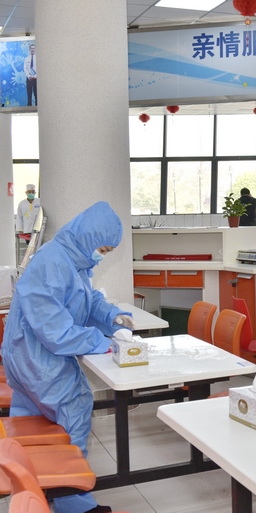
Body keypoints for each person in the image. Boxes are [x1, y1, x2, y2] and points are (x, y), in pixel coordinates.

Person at [3, 201, 132, 513]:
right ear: (87, 238)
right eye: (102, 249)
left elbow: (87, 300)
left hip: (28, 356)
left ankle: (33, 484)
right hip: (38, 360)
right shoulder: (52, 262)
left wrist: (112, 317)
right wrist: (102, 342)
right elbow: (55, 330)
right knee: (74, 408)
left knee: (30, 419)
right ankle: (73, 502)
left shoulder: (73, 261)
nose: (102, 256)